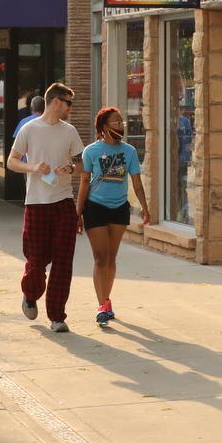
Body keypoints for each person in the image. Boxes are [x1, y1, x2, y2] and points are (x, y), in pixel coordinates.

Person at [6, 82, 83, 331]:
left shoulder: (69, 131)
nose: (70, 108)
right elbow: (12, 161)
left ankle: (57, 316)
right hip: (37, 203)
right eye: (68, 103)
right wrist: (33, 167)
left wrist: (69, 168)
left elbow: (82, 165)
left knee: (63, 260)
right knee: (36, 260)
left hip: (63, 202)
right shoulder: (29, 129)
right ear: (56, 102)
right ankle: (30, 294)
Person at [77, 106, 151, 328]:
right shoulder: (90, 151)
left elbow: (136, 183)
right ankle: (102, 306)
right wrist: (77, 213)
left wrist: (145, 208)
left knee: (111, 258)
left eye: (122, 123)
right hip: (95, 207)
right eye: (116, 123)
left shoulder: (129, 151)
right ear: (104, 127)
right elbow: (83, 182)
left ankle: (106, 299)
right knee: (100, 258)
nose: (121, 126)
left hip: (119, 208)